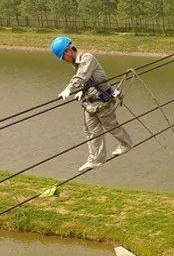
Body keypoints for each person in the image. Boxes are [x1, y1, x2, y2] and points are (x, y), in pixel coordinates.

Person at [50, 35, 133, 172]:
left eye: (62, 57)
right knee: (91, 131)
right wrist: (81, 91)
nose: (63, 60)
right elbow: (88, 80)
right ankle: (96, 160)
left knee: (111, 126)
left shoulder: (87, 58)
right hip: (90, 103)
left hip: (103, 102)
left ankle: (126, 144)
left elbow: (82, 76)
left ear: (68, 51)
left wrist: (69, 89)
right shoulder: (76, 64)